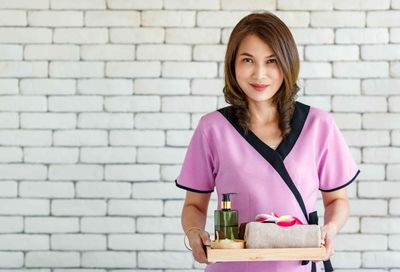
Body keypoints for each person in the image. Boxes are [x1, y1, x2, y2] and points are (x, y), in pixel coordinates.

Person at [175, 11, 359, 272]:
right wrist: (194, 232)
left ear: (287, 63)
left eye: (271, 61)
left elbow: (337, 200)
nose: (259, 74)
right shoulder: (212, 129)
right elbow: (194, 204)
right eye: (248, 60)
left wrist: (331, 229)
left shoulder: (319, 125)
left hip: (299, 266)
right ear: (233, 65)